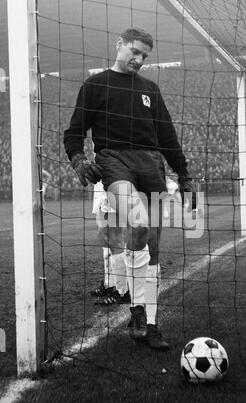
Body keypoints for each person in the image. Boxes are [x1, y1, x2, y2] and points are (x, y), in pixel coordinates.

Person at [64, 27, 196, 350]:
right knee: (136, 222)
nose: (138, 60)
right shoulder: (95, 85)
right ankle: (136, 311)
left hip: (151, 164)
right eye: (134, 52)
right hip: (114, 161)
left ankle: (149, 325)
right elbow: (73, 133)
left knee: (152, 246)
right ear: (119, 44)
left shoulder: (150, 89)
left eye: (144, 56)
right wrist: (80, 160)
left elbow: (167, 137)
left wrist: (185, 175)